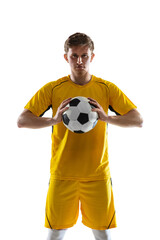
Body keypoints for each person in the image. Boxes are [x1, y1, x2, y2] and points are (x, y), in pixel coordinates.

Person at [17, 32, 143, 240]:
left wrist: (106, 117)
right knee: (55, 233)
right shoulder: (53, 89)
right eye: (74, 55)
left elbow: (138, 120)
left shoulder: (106, 88)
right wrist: (53, 120)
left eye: (84, 55)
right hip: (62, 174)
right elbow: (22, 120)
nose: (79, 61)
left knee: (103, 234)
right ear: (66, 57)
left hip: (97, 175)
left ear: (92, 57)